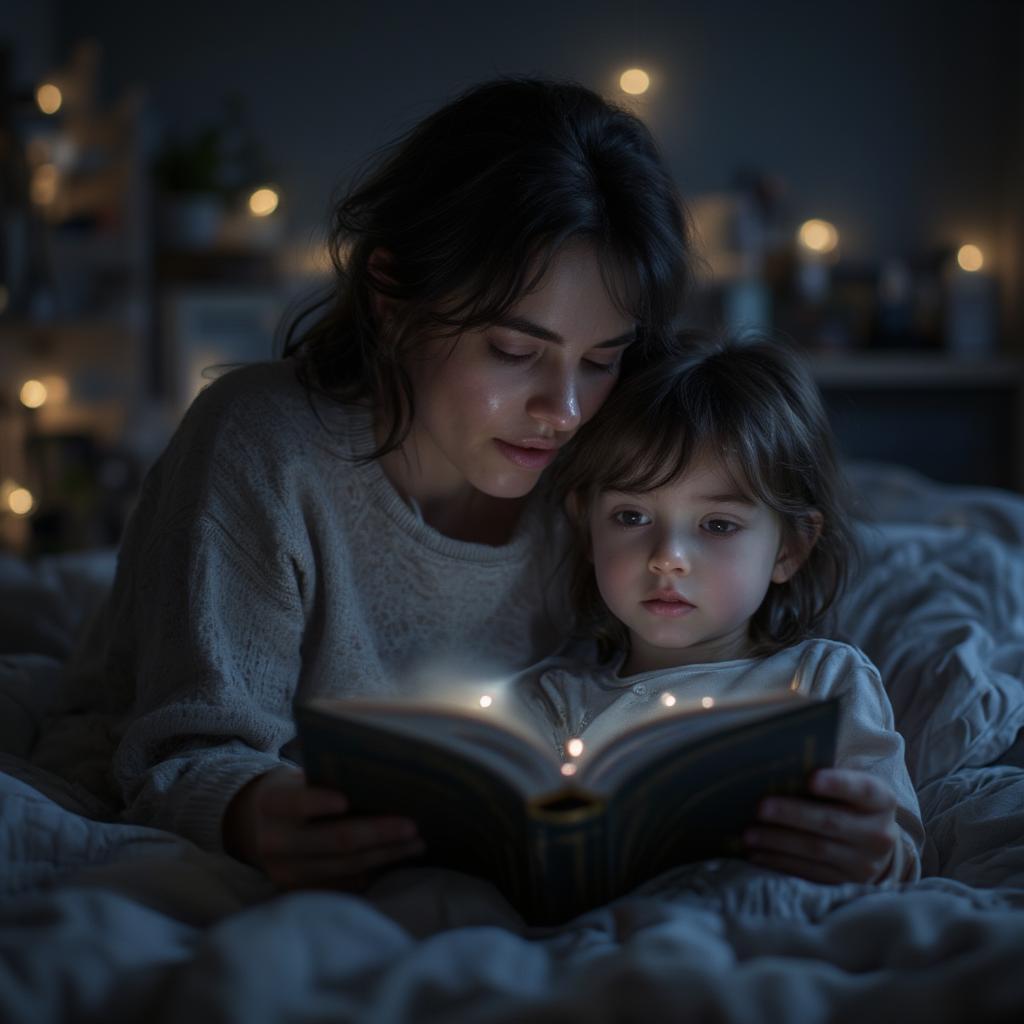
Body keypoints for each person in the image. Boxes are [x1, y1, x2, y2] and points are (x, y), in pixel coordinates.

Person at [31, 77, 694, 892]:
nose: (562, 411)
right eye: (514, 353)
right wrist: (254, 809)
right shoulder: (263, 445)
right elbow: (185, 745)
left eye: (600, 361)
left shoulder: (607, 474)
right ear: (392, 298)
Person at [518, 332, 924, 884]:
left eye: (717, 525)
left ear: (790, 548)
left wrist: (876, 854)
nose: (668, 558)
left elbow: (898, 849)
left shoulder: (823, 683)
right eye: (632, 517)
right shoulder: (555, 702)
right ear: (586, 526)